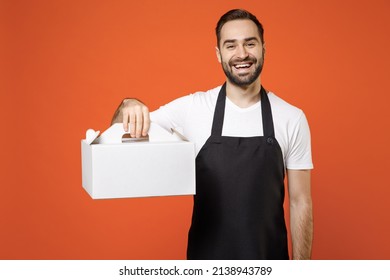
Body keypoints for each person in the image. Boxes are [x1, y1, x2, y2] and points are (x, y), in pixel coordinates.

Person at [112, 9, 313, 260]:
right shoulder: (192, 109)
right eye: (231, 46)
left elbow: (300, 202)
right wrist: (128, 104)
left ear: (263, 48)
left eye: (250, 43)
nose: (242, 54)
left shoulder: (292, 118)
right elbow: (120, 131)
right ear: (219, 54)